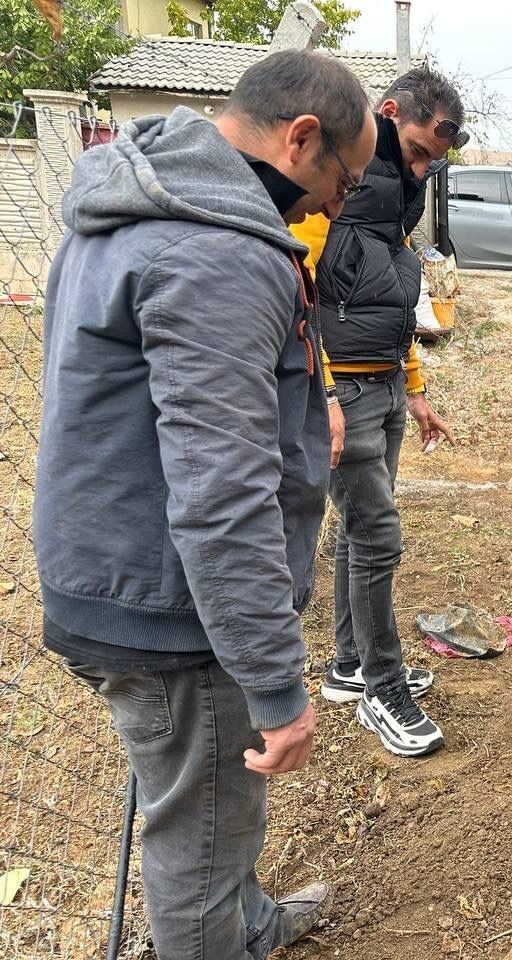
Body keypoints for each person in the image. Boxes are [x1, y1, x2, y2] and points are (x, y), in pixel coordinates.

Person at [34, 50, 377, 959]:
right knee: (201, 839)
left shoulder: (141, 204)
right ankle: (217, 933)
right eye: (342, 181)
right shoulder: (216, 252)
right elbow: (222, 494)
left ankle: (248, 923)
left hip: (115, 570)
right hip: (174, 611)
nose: (331, 206)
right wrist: (276, 683)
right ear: (300, 138)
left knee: (217, 803)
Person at [295, 66, 463, 757]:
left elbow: (394, 302)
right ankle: (381, 688)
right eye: (418, 150)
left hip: (385, 385)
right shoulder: (331, 181)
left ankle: (349, 664)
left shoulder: (397, 199)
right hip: (348, 395)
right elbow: (297, 298)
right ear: (389, 112)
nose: (422, 167)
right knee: (378, 537)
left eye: (432, 161)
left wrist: (414, 387)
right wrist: (326, 395)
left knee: (360, 531)